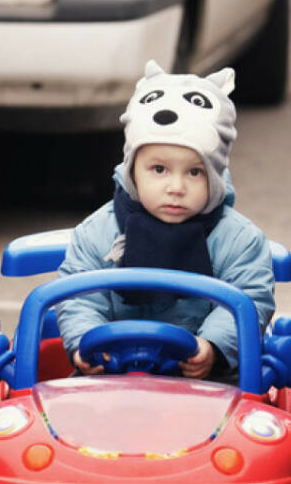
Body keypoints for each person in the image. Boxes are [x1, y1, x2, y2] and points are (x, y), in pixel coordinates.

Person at [56, 60, 275, 380]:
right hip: (112, 374)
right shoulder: (97, 233)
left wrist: (212, 346)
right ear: (132, 170)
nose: (176, 187)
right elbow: (79, 298)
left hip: (206, 379)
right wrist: (84, 342)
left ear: (215, 175)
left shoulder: (240, 240)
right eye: (159, 170)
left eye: (195, 172)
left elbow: (249, 300)